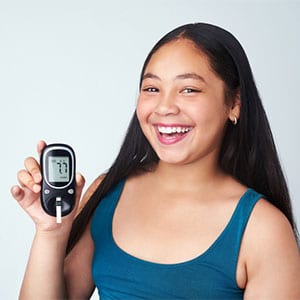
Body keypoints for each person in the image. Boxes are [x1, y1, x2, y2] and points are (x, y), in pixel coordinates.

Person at [11, 23, 300, 299]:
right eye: (152, 89)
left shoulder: (263, 229)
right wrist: (51, 233)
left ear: (234, 103)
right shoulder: (107, 191)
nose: (164, 107)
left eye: (189, 89)